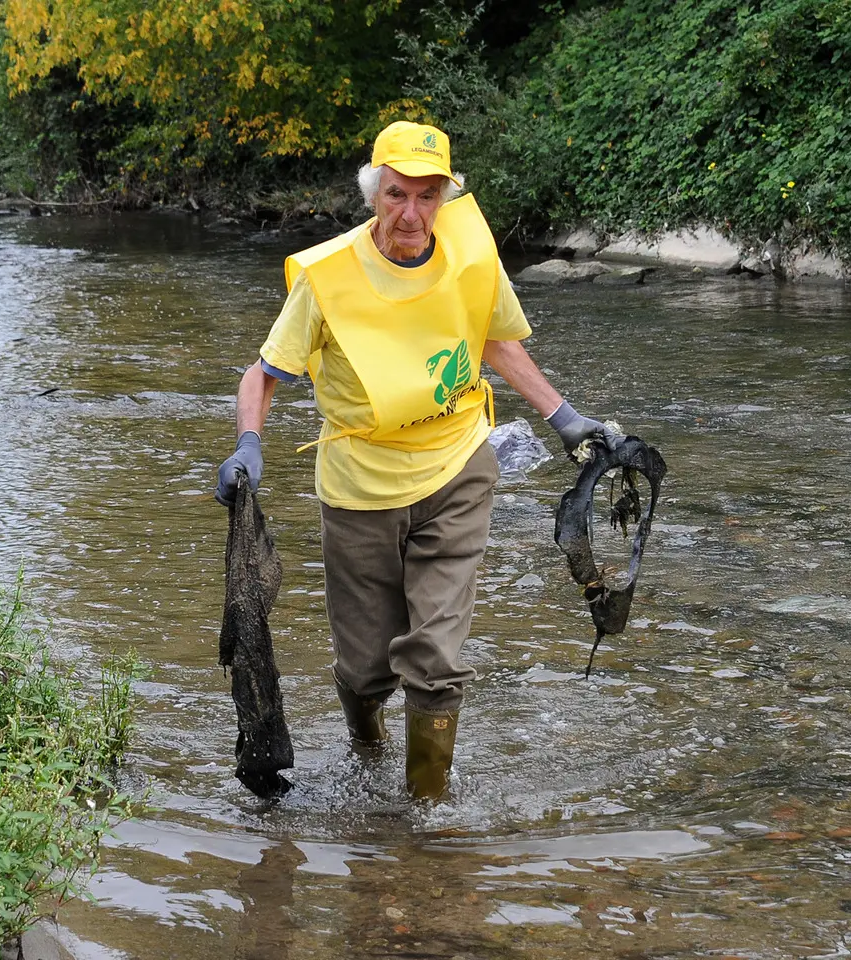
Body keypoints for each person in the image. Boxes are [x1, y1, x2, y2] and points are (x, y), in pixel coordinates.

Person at [215, 121, 619, 801]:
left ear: (445, 197)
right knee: (368, 667)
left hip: (457, 469)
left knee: (434, 661)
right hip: (358, 491)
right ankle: (366, 751)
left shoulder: (471, 257)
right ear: (375, 193)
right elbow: (263, 374)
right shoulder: (330, 278)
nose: (411, 215)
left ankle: (427, 824)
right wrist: (249, 442)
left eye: (427, 198)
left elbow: (499, 344)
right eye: (397, 195)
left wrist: (564, 417)